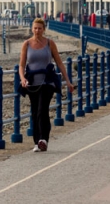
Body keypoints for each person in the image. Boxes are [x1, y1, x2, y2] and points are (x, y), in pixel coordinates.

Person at [20, 18, 74, 152]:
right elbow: (21, 65)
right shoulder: (26, 44)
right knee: (34, 112)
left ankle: (43, 139)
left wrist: (67, 81)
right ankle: (36, 141)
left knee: (42, 110)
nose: (37, 31)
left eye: (40, 28)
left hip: (47, 82)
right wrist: (22, 78)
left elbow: (59, 63)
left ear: (44, 29)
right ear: (32, 29)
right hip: (32, 83)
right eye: (35, 28)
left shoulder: (50, 43)